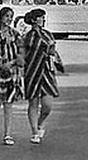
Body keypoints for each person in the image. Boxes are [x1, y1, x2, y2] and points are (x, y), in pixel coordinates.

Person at [0, 6, 25, 146]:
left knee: (8, 103)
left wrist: (12, 63)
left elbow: (21, 56)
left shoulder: (15, 35)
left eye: (11, 16)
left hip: (11, 72)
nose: (9, 19)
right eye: (7, 16)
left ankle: (7, 134)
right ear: (0, 17)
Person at [21, 8, 59, 144]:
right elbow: (22, 53)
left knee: (47, 105)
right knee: (33, 103)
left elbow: (54, 52)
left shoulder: (48, 34)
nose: (43, 19)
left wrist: (55, 59)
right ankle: (34, 132)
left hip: (46, 73)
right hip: (32, 72)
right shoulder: (27, 36)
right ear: (34, 20)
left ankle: (40, 122)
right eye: (41, 17)